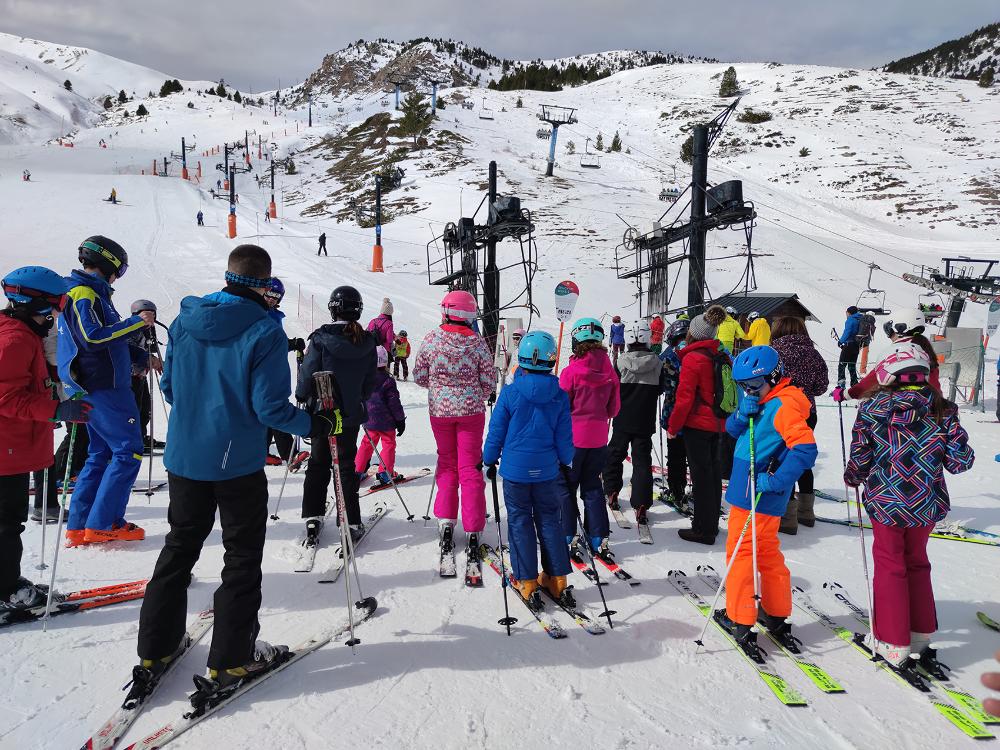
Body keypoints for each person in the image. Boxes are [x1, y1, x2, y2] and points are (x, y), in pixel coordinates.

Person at [135, 245, 323, 699]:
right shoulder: (264, 331)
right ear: (264, 283)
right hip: (235, 464)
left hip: (183, 458)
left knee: (179, 547)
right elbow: (270, 407)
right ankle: (232, 659)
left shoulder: (184, 321)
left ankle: (155, 649)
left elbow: (170, 387)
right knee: (240, 557)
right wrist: (314, 424)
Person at [844, 341, 973, 669]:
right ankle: (920, 633)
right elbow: (960, 462)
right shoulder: (942, 409)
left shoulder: (873, 409)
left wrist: (855, 475)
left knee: (890, 565)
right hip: (925, 503)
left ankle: (893, 640)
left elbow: (861, 456)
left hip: (886, 501)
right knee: (916, 561)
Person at [0, 266, 92, 616]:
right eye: (53, 306)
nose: (56, 314)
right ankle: (6, 590)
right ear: (31, 303)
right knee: (7, 522)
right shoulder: (16, 339)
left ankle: (8, 581)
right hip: (6, 447)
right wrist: (57, 409)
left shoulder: (20, 333)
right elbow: (6, 399)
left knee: (9, 520)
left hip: (11, 446)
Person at [716, 345, 817, 655]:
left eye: (754, 386)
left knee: (741, 554)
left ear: (773, 377)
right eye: (743, 386)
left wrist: (775, 481)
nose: (748, 391)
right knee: (767, 552)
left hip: (757, 495)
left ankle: (740, 618)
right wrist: (739, 413)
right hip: (750, 491)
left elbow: (805, 450)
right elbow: (733, 430)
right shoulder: (764, 399)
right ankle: (774, 612)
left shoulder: (783, 406)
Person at [57, 236, 154, 546]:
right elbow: (93, 338)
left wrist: (141, 357)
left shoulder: (89, 292)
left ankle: (81, 524)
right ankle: (105, 523)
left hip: (97, 384)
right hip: (105, 387)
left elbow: (108, 343)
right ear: (110, 264)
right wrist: (136, 322)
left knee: (100, 454)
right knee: (128, 451)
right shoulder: (84, 293)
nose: (118, 276)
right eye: (120, 270)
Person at [482, 330, 575, 606]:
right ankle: (558, 579)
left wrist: (489, 458)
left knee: (520, 521)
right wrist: (566, 460)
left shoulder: (510, 394)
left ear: (521, 359)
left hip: (516, 472)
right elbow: (564, 437)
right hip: (547, 471)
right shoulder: (559, 396)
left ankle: (527, 579)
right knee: (549, 519)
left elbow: (496, 431)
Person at [413, 290, 494, 559]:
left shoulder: (432, 339)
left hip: (440, 410)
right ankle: (473, 527)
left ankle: (446, 519)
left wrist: (441, 387)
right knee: (470, 466)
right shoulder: (479, 344)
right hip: (471, 411)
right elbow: (488, 382)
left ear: (447, 311)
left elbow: (420, 376)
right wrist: (474, 395)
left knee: (447, 462)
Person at [297, 286, 377, 543]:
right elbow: (370, 379)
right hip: (350, 414)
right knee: (344, 465)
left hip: (323, 413)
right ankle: (350, 519)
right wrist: (358, 398)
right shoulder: (366, 341)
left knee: (319, 463)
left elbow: (307, 373)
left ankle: (313, 515)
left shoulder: (321, 339)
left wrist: (301, 395)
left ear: (333, 309)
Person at [667, 305, 729, 545]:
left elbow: (684, 399)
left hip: (698, 424)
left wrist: (673, 427)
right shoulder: (720, 353)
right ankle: (711, 520)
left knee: (701, 476)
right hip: (718, 421)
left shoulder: (693, 358)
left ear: (693, 333)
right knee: (712, 473)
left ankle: (703, 529)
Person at [558, 317, 619, 554]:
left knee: (566, 486)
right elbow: (614, 409)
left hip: (572, 439)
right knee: (592, 486)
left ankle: (567, 532)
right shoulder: (609, 371)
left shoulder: (571, 371)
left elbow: (561, 407)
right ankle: (598, 535)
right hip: (598, 439)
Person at [770, 316, 828, 533]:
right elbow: (821, 386)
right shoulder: (813, 353)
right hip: (808, 411)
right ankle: (806, 512)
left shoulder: (775, 352)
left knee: (782, 459)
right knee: (802, 457)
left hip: (781, 411)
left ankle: (787, 514)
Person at [602, 320, 661, 526]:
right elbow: (661, 388)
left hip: (622, 417)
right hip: (644, 420)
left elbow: (611, 387)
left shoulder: (619, 362)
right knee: (641, 461)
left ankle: (611, 491)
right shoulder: (657, 363)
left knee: (615, 454)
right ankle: (642, 503)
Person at [834, 312, 940, 402]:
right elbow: (936, 387)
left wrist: (845, 394)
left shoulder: (895, 353)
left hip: (897, 413)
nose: (889, 335)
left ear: (901, 328)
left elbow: (869, 384)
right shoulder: (925, 353)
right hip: (928, 412)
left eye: (889, 330)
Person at [262, 278, 303, 464]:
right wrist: (290, 344)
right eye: (269, 294)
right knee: (276, 408)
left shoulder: (272, 315)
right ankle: (290, 454)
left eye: (276, 296)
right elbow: (267, 344)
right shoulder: (260, 314)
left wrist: (291, 344)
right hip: (263, 371)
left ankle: (261, 451)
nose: (271, 299)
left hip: (272, 369)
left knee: (266, 411)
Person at [355, 346, 405, 486]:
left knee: (367, 443)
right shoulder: (388, 381)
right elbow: (394, 403)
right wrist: (400, 420)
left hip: (369, 420)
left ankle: (357, 471)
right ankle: (385, 473)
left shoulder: (364, 379)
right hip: (386, 422)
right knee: (388, 444)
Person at [659, 317, 690, 510]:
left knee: (676, 455)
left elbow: (661, 384)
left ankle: (677, 490)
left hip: (674, 414)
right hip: (697, 415)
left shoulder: (669, 356)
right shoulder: (697, 353)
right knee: (694, 454)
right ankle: (690, 489)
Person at [837, 305, 863, 387]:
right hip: (857, 345)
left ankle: (841, 387)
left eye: (847, 312)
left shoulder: (850, 320)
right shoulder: (860, 319)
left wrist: (841, 341)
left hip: (849, 345)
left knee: (842, 365)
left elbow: (847, 332)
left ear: (849, 313)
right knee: (852, 365)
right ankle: (855, 385)